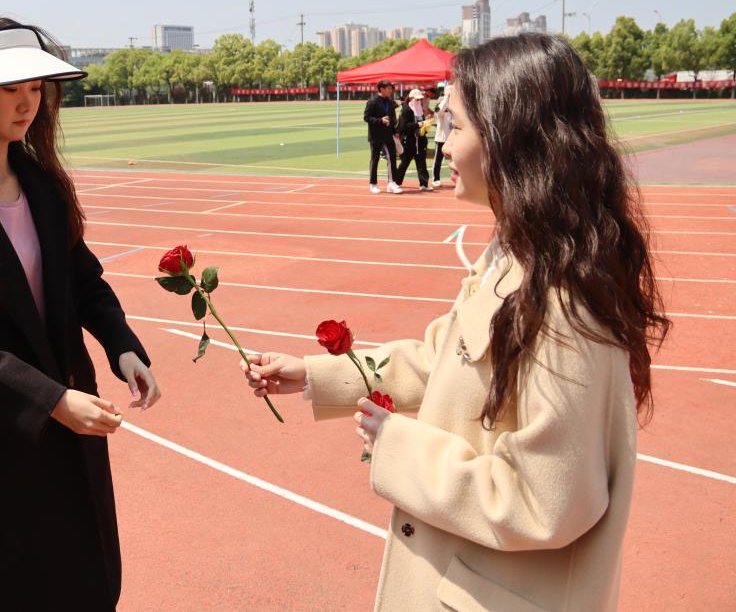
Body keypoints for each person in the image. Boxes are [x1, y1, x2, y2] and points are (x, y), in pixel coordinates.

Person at [240, 33, 670, 611]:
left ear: (512, 140)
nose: (440, 142)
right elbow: (442, 357)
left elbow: (546, 501)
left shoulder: (563, 302)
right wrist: (317, 375)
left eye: (455, 125)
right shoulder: (521, 252)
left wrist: (398, 446)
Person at [0, 16, 161, 611]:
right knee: (10, 585)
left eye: (36, 88)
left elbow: (84, 280)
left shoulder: (43, 185)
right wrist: (51, 401)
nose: (28, 103)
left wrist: (122, 346)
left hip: (70, 416)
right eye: (10, 88)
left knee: (83, 574)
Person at [362, 79, 402, 194]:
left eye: (391, 88)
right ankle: (373, 184)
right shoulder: (372, 102)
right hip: (376, 135)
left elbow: (393, 118)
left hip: (389, 134)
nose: (391, 90)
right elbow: (366, 117)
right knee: (375, 159)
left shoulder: (390, 102)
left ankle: (392, 183)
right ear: (381, 89)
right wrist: (380, 120)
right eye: (388, 88)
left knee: (392, 158)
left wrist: (395, 131)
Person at [392, 90, 430, 191]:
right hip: (408, 141)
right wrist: (417, 125)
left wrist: (426, 124)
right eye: (417, 99)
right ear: (411, 98)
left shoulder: (420, 109)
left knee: (421, 163)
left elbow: (421, 123)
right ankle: (396, 182)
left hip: (420, 140)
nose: (419, 101)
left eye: (420, 99)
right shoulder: (406, 110)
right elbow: (403, 127)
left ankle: (424, 184)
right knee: (404, 163)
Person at [432, 84, 452, 187]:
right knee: (438, 159)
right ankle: (436, 179)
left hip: (453, 138)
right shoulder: (441, 104)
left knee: (457, 160)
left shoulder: (456, 105)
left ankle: (458, 178)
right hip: (442, 138)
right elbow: (439, 111)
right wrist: (446, 96)